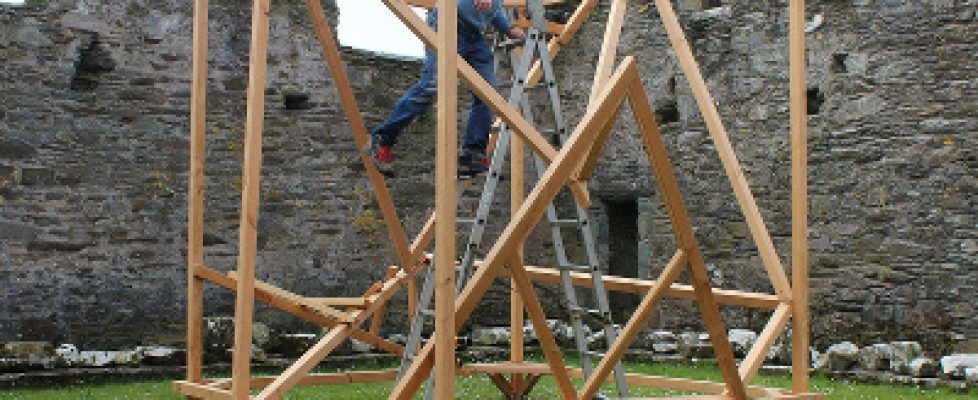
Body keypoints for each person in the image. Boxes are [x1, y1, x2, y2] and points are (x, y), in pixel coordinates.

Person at [366, 0, 524, 176]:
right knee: (432, 85)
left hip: (473, 35)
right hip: (448, 21)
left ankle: (472, 153)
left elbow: (494, 8)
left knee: (487, 93)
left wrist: (508, 29)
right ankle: (384, 139)